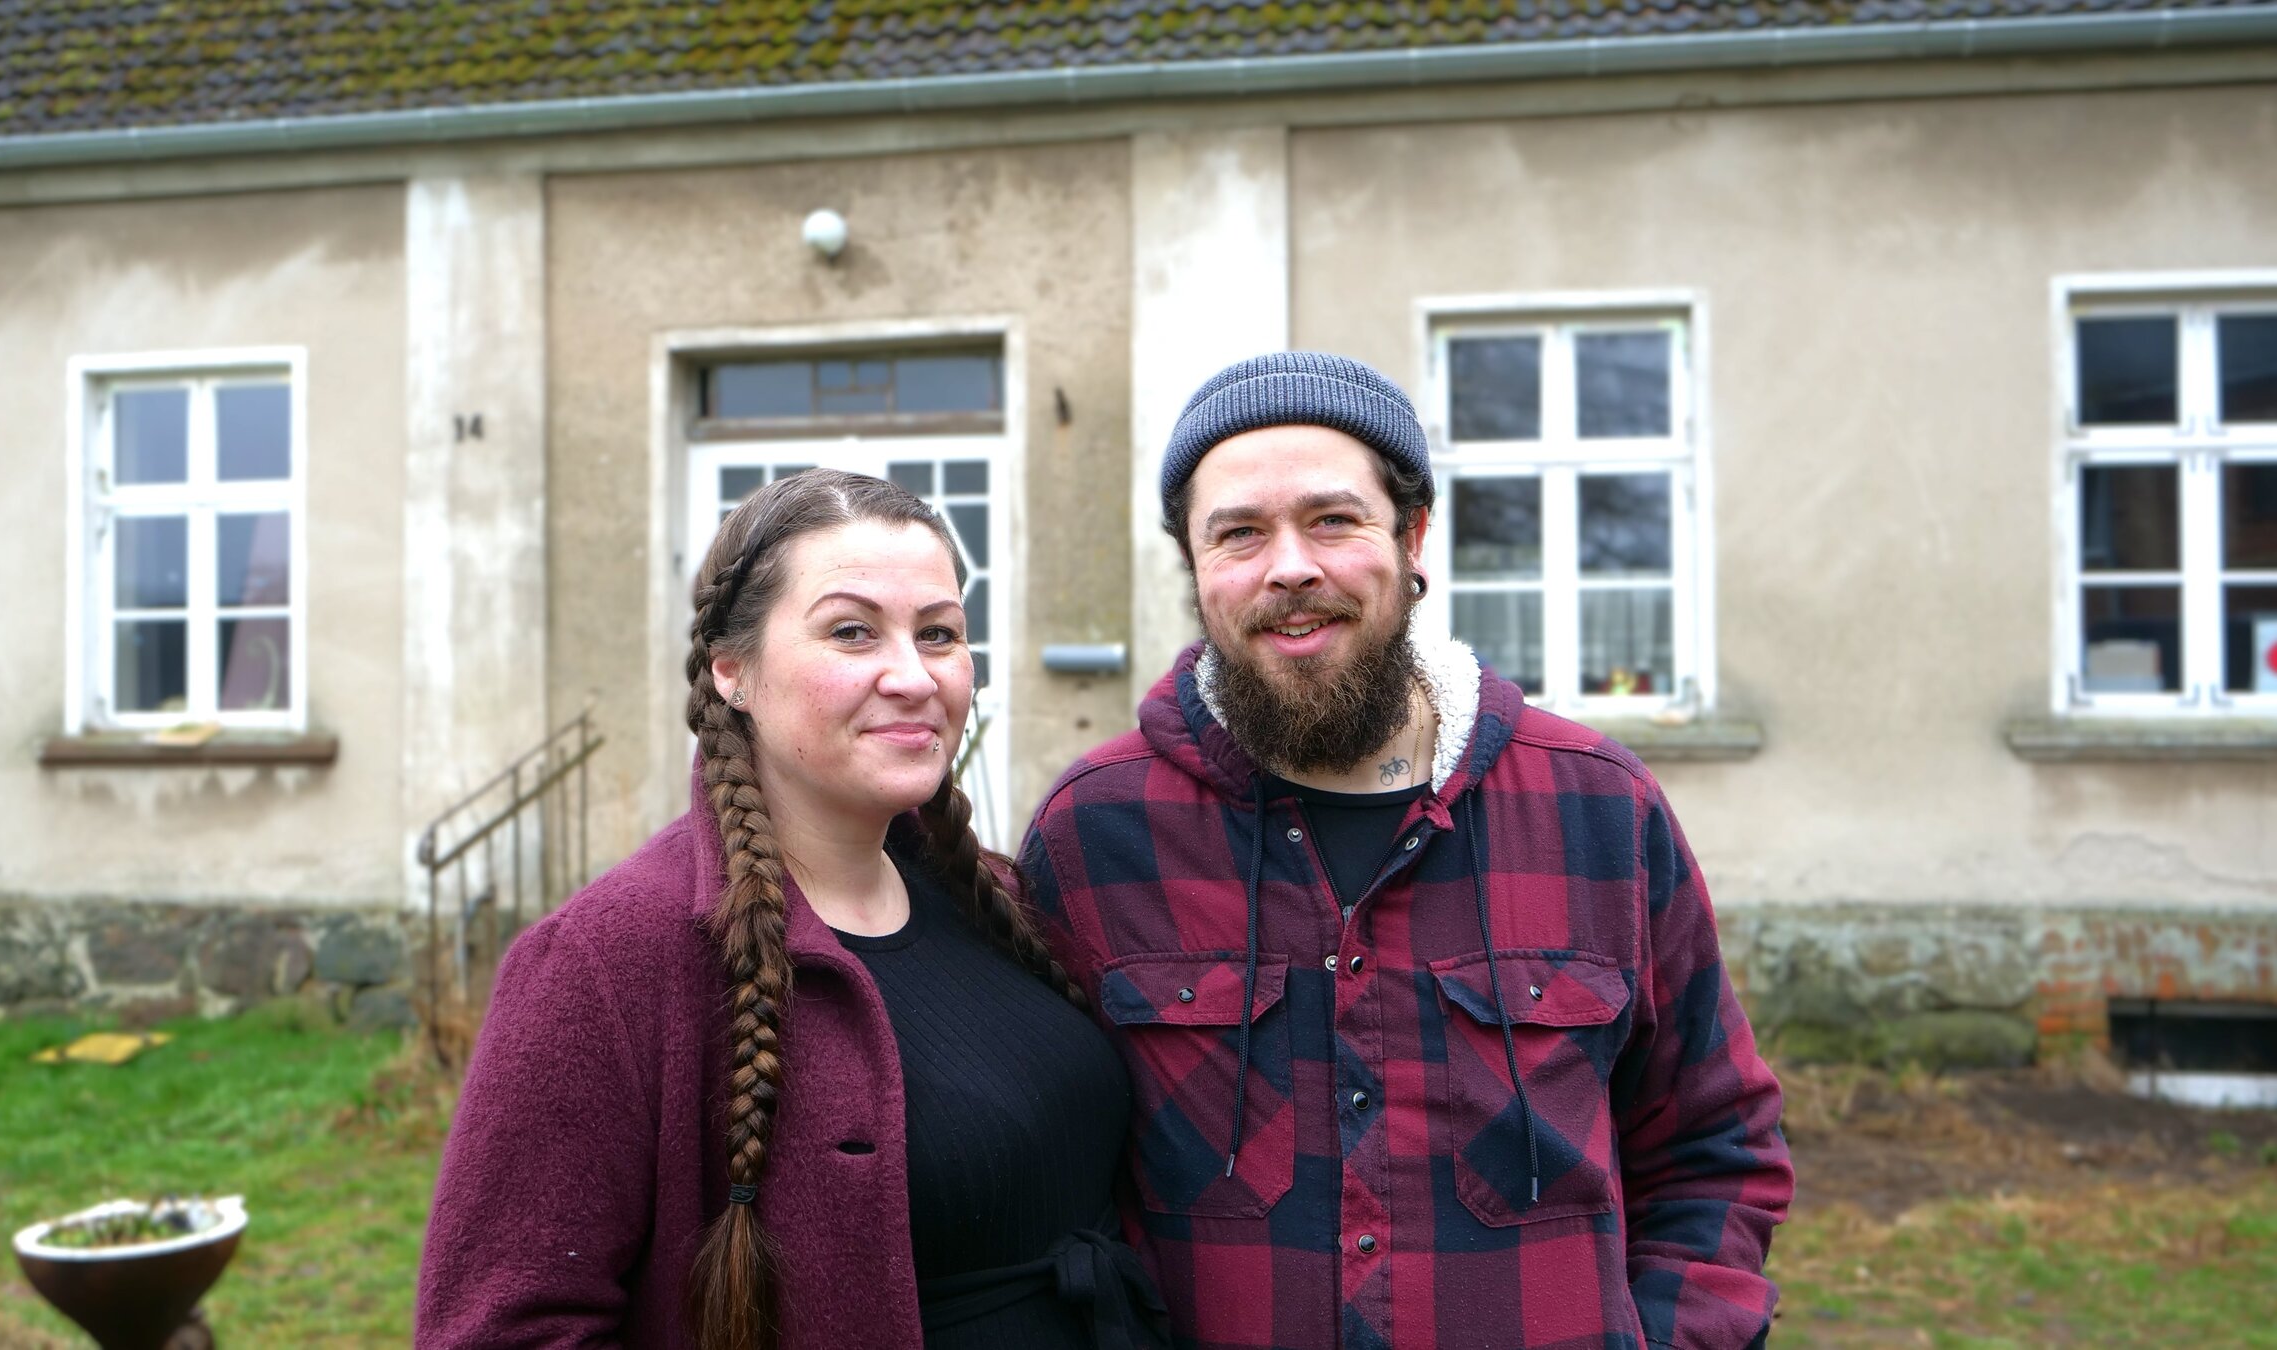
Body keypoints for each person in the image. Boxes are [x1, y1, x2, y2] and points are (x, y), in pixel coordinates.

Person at [1021, 353, 1792, 1350]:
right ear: (1195, 570)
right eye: (1239, 534)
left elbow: (1711, 1141)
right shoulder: (1095, 834)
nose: (1288, 566)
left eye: (1331, 520)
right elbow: (1037, 1176)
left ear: (1413, 536)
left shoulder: (1597, 807)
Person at [419, 469, 1165, 1350]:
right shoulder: (606, 962)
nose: (911, 675)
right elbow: (500, 1328)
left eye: (939, 635)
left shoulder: (995, 903)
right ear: (733, 671)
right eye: (851, 632)